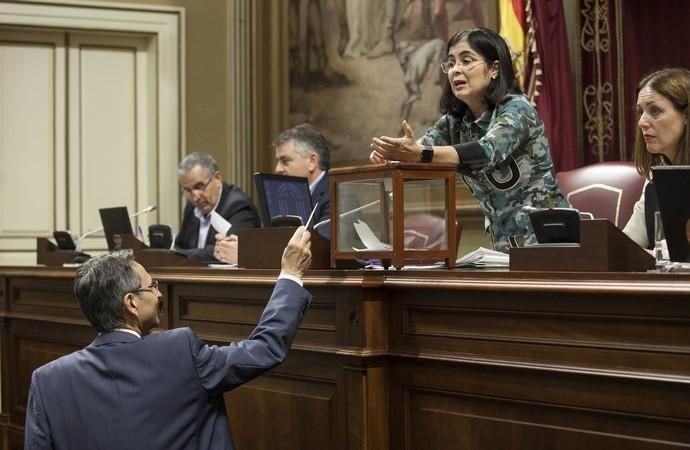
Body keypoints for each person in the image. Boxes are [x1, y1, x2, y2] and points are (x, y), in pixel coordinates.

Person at [24, 227, 313, 450]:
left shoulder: (47, 381)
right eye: (153, 286)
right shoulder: (178, 352)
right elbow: (265, 348)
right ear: (131, 303)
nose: (160, 294)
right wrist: (290, 275)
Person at [369, 27, 569, 251]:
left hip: (550, 241)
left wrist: (419, 153)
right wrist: (391, 155)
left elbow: (485, 151)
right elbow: (419, 150)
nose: (456, 70)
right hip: (503, 247)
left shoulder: (517, 108)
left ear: (494, 68)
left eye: (466, 61)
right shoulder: (455, 121)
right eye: (451, 63)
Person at [213, 124, 331, 265]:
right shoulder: (285, 194)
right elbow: (272, 240)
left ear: (312, 161)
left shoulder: (336, 194)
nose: (277, 169)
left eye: (285, 161)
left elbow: (320, 251)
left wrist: (247, 254)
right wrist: (245, 245)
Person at [623, 68, 690, 250]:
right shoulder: (655, 177)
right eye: (641, 112)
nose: (641, 122)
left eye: (655, 111)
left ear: (686, 116)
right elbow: (627, 245)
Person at [175, 152, 260, 262]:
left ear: (217, 178)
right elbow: (179, 245)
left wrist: (181, 254)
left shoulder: (239, 206)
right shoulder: (191, 208)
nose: (195, 197)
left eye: (199, 186)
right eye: (188, 190)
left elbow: (224, 253)